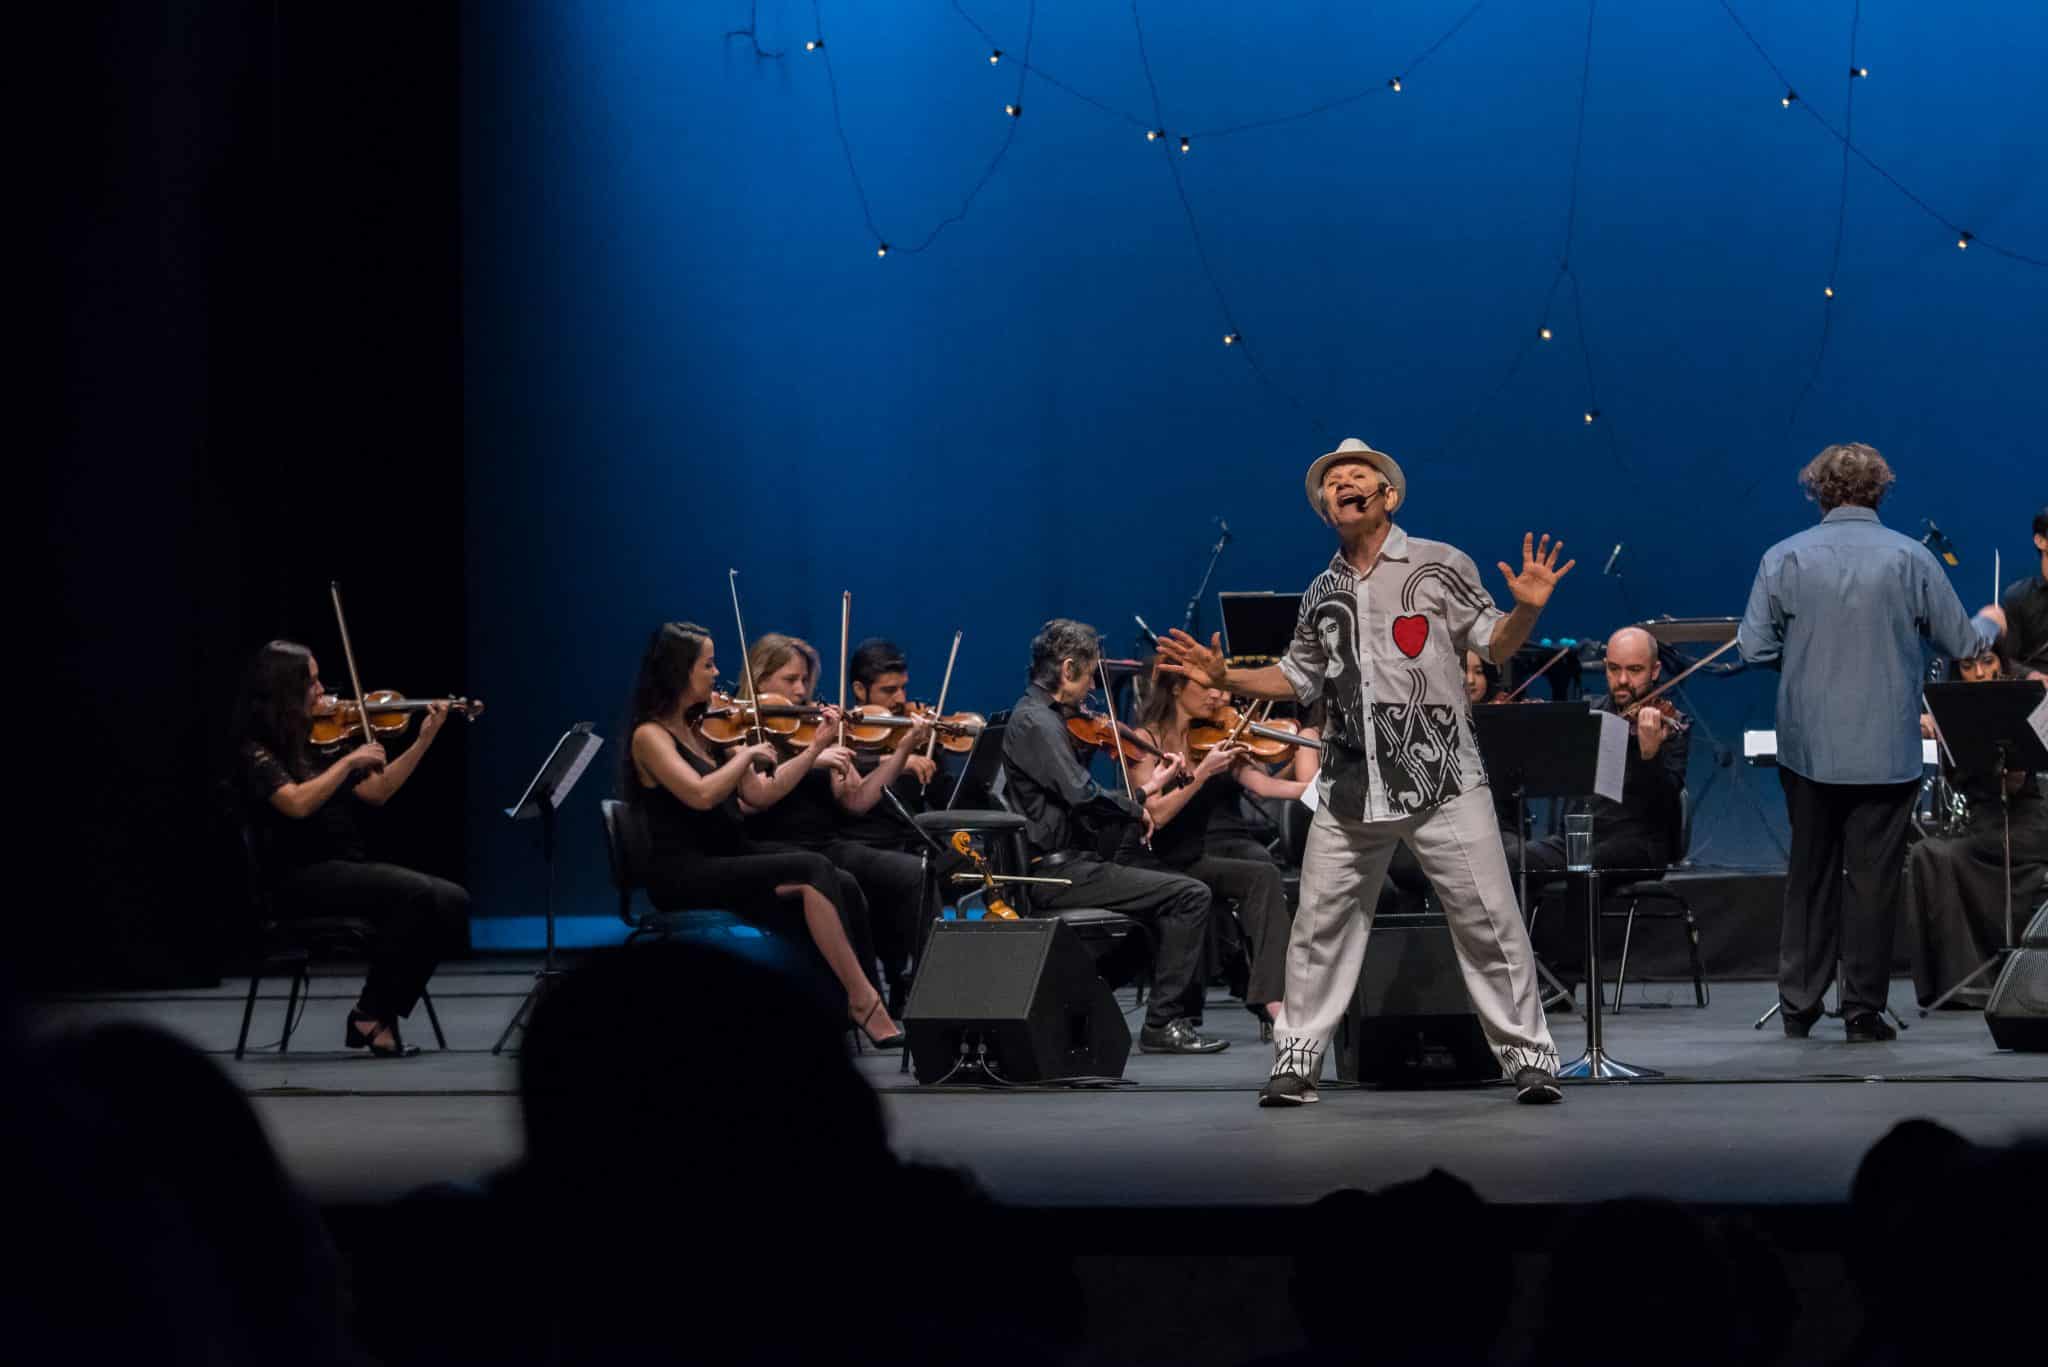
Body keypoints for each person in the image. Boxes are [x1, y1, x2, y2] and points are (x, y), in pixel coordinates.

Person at [1160, 436, 1570, 1105]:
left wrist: (1527, 607)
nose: (1342, 481)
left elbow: (1493, 640)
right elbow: (1296, 675)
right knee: (1319, 925)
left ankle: (1529, 1056)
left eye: (1359, 473)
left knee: (1489, 919)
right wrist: (1226, 674)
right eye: (1332, 479)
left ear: (1389, 495)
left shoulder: (1439, 565)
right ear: (1326, 508)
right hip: (1351, 783)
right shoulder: (1321, 592)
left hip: (1442, 778)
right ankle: (1296, 1061)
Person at [1736, 443, 2002, 1041]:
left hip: (1806, 746)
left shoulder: (1784, 557)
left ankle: (1799, 1005)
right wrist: (1989, 621)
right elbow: (1963, 645)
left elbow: (1754, 649)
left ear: (1818, 491)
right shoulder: (1911, 559)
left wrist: (1808, 663)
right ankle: (1862, 1010)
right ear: (1880, 490)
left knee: (1809, 876)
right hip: (1886, 747)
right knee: (1874, 883)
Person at [623, 622, 903, 1047]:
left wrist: (812, 750)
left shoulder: (708, 727)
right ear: (679, 670)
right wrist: (747, 755)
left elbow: (760, 791)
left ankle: (852, 1005)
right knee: (811, 867)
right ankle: (862, 1001)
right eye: (708, 664)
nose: (717, 674)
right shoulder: (650, 736)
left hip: (728, 855)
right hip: (685, 870)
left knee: (840, 882)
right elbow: (700, 795)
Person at [1001, 619, 1228, 1054]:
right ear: (1067, 669)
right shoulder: (1038, 723)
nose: (1091, 690)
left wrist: (1145, 791)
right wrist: (1140, 800)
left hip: (1076, 862)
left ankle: (1075, 1005)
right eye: (1088, 676)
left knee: (1155, 915)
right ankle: (1161, 1024)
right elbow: (1083, 797)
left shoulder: (1046, 719)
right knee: (1191, 895)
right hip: (1057, 871)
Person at [231, 640, 467, 1058]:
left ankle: (373, 1012)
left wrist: (424, 740)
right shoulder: (256, 751)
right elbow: (297, 803)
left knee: (452, 900)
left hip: (341, 867)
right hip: (295, 878)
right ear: (287, 690)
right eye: (313, 682)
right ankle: (374, 1016)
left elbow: (379, 792)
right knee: (416, 894)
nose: (323, 692)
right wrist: (349, 761)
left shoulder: (323, 737)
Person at [740, 634, 936, 1012]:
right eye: (790, 680)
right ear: (761, 680)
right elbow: (751, 801)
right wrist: (813, 756)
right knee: (844, 884)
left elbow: (856, 800)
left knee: (918, 873)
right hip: (773, 847)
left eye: (804, 681)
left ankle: (930, 994)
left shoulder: (814, 726)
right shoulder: (745, 731)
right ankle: (862, 1000)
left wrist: (904, 750)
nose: (800, 691)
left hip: (828, 845)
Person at [1127, 664, 1309, 1034]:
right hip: (1158, 862)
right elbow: (1155, 814)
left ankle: (1271, 996)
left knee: (1263, 875)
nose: (1220, 695)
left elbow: (1265, 785)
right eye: (1207, 686)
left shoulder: (1213, 739)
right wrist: (1203, 773)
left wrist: (1323, 790)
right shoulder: (1145, 740)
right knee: (1203, 896)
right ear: (1177, 689)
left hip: (1194, 859)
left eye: (1221, 689)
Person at [1906, 649, 2047, 1008]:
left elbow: (2019, 782)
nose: (1981, 672)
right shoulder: (1952, 713)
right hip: (1981, 824)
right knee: (1927, 854)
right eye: (1969, 667)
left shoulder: (2023, 701)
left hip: (2026, 823)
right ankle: (1962, 982)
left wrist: (2012, 771)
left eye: (1988, 663)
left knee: (1961, 852)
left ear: (2001, 663)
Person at [1501, 626, 1690, 875]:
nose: (1623, 680)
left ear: (1654, 670)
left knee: (1585, 863)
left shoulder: (1672, 723)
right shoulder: (1589, 711)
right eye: (1614, 669)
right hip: (1578, 839)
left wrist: (1649, 755)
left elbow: (1664, 803)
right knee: (1513, 860)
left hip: (1639, 844)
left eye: (1634, 670)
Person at [1989, 505, 2047, 681]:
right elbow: (2006, 659)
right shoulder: (2019, 596)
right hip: (2038, 696)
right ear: (2040, 541)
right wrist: (2031, 675)